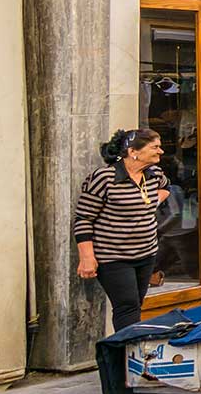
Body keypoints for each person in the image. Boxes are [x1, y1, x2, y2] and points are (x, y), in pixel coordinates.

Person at [74, 129, 172, 332]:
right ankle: (125, 358)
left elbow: (166, 187)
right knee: (127, 307)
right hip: (114, 257)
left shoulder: (154, 174)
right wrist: (87, 257)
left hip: (146, 254)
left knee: (135, 305)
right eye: (154, 147)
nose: (160, 151)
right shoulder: (105, 178)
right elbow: (84, 218)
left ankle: (130, 356)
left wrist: (152, 201)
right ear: (133, 151)